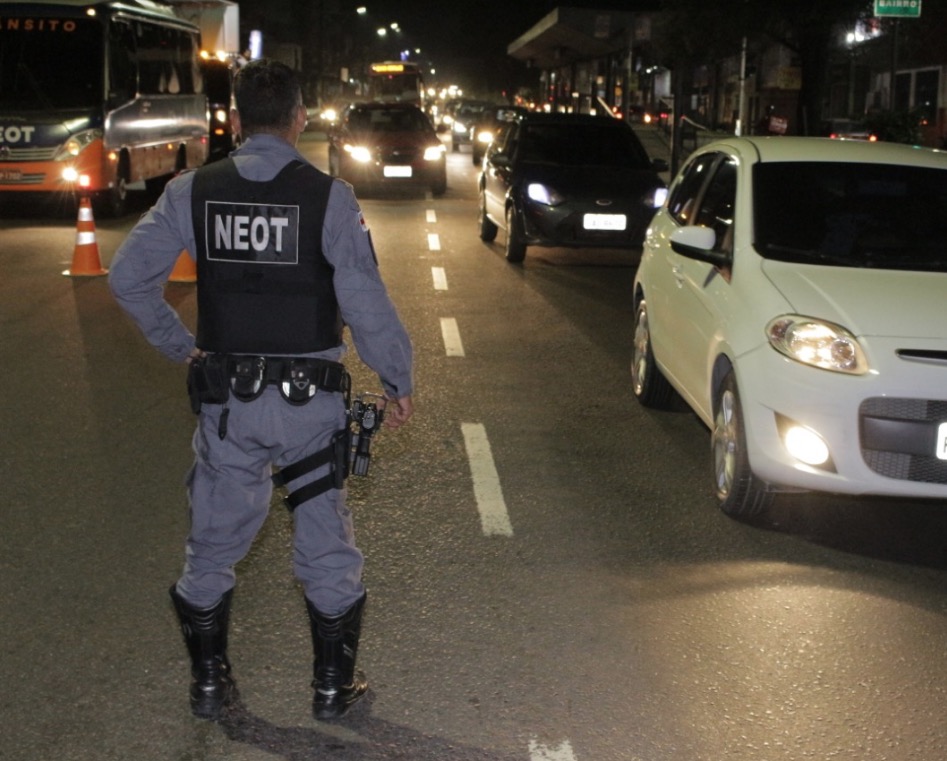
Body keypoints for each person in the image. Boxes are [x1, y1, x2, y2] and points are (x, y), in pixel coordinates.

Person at [108, 59, 414, 723]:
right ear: (300, 119)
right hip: (312, 408)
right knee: (326, 547)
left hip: (229, 404)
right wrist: (397, 379)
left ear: (237, 121)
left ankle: (210, 685)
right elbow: (364, 299)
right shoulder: (330, 198)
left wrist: (177, 343)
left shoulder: (194, 191)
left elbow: (128, 277)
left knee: (213, 547)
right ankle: (332, 691)